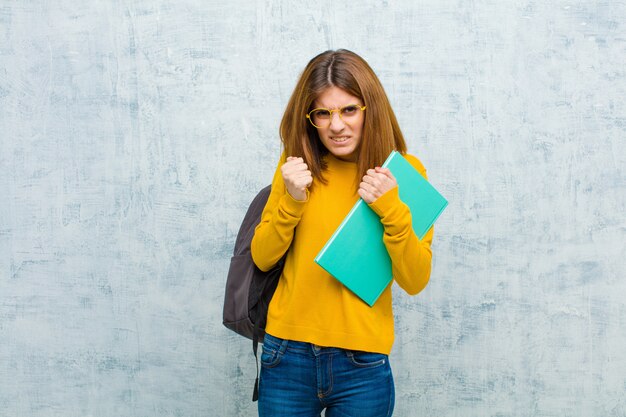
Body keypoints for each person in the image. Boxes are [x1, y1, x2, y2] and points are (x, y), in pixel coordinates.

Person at [250, 49, 434, 417]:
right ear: (310, 118)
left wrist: (391, 207)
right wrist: (292, 200)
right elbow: (262, 256)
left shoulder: (405, 173)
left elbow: (414, 280)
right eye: (323, 112)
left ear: (371, 109)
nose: (336, 126)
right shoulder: (296, 168)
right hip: (286, 354)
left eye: (349, 109)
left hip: (361, 363)